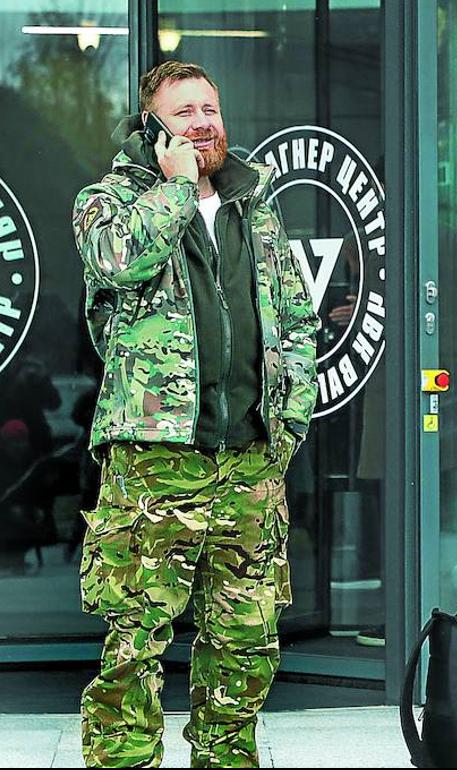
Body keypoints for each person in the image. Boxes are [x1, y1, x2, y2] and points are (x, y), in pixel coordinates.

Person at [72, 60, 318, 767]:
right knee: (134, 649)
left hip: (248, 463)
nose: (204, 122)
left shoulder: (255, 204)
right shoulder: (108, 202)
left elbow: (295, 318)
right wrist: (176, 186)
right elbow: (117, 261)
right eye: (184, 112)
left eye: (210, 108)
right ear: (153, 127)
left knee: (244, 648)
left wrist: (289, 422)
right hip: (155, 465)